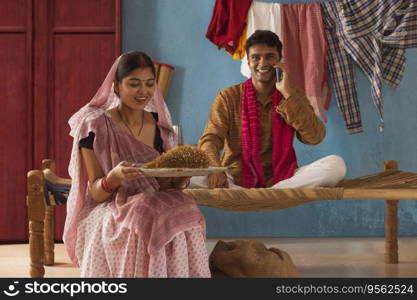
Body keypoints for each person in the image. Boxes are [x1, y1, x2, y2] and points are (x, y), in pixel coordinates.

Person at [63, 51, 211, 277]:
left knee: (187, 206)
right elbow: (95, 193)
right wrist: (115, 177)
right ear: (116, 87)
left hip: (153, 199)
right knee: (146, 212)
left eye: (149, 84)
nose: (143, 92)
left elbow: (166, 186)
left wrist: (181, 175)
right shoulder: (94, 126)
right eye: (134, 84)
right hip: (110, 205)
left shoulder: (159, 126)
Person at [191, 30, 346, 189]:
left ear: (280, 60)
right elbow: (210, 140)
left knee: (336, 165)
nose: (263, 63)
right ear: (248, 62)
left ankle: (272, 193)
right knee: (184, 176)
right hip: (234, 179)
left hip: (283, 178)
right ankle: (269, 193)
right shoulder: (228, 96)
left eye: (270, 56)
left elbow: (315, 137)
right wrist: (215, 170)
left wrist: (287, 95)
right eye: (256, 57)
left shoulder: (293, 95)